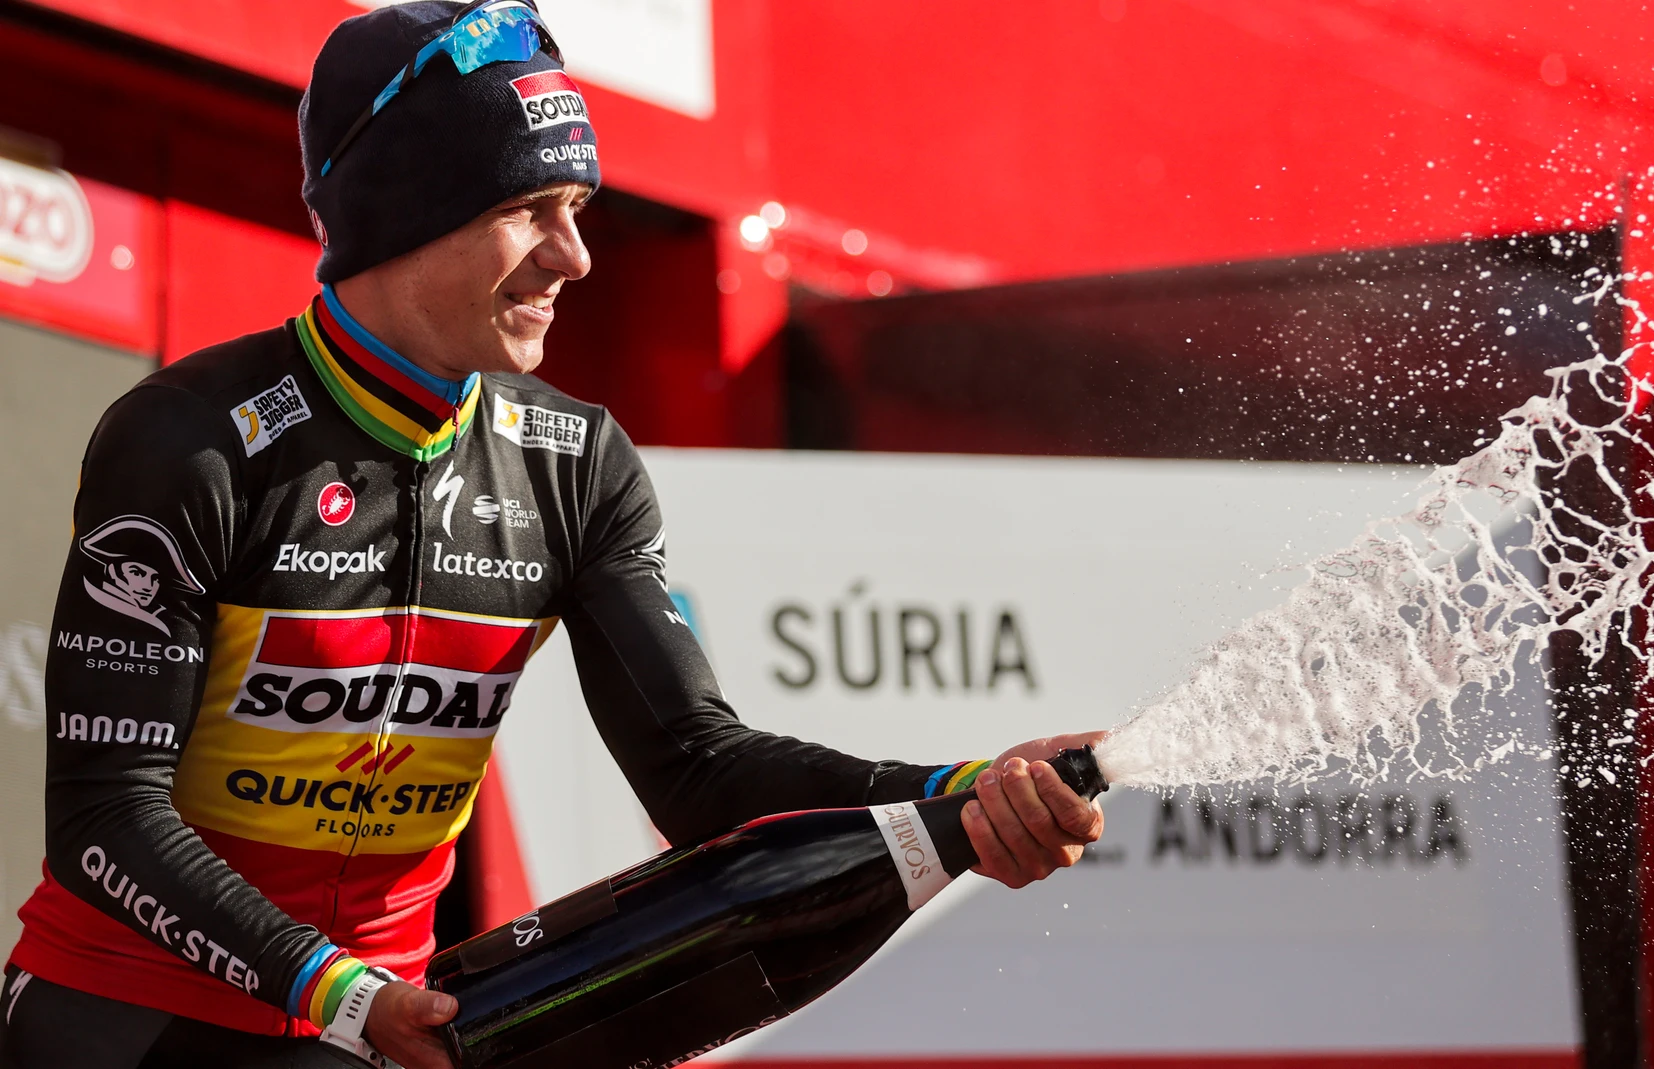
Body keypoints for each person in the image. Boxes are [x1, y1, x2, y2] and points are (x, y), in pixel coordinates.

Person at [0, 3, 1105, 1067]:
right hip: (126, 1017)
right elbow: (109, 818)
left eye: (578, 208)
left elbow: (696, 768)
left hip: (380, 1019)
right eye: (531, 210)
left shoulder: (574, 464)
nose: (573, 256)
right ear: (408, 212)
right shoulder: (194, 440)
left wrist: (959, 790)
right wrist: (342, 993)